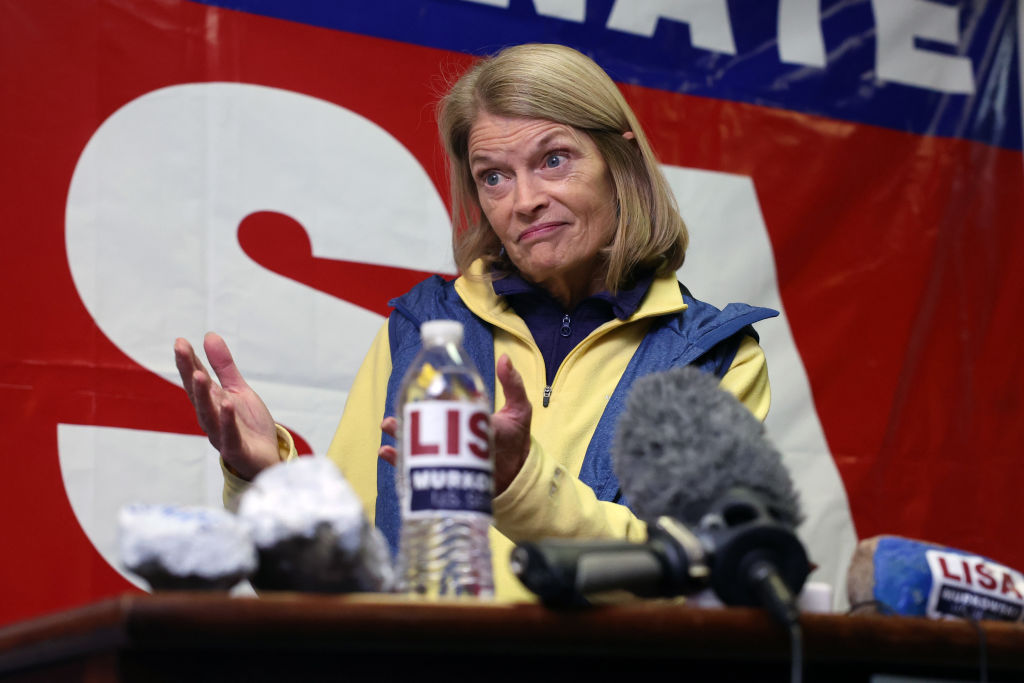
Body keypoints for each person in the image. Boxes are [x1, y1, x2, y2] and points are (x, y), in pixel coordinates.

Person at [174, 43, 776, 601]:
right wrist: (262, 481)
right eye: (494, 176)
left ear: (622, 163)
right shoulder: (420, 331)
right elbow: (337, 585)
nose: (524, 200)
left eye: (554, 160)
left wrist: (518, 484)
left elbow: (694, 571)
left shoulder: (713, 357)